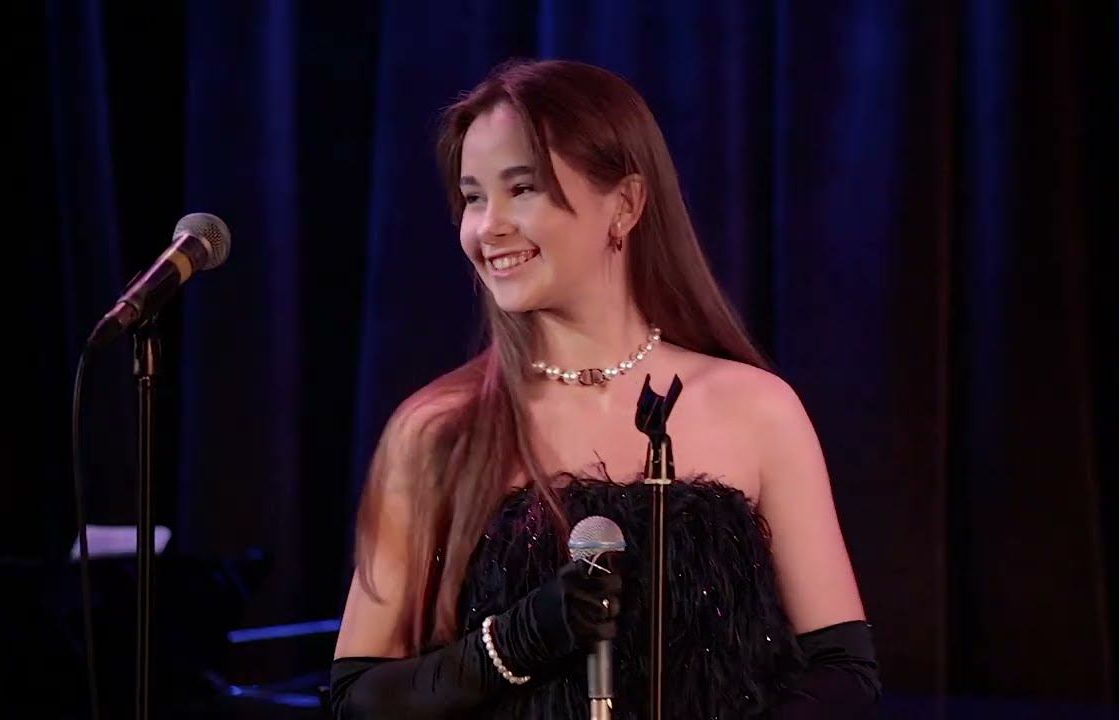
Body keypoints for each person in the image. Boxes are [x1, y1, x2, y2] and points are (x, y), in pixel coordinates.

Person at [327, 58, 880, 718]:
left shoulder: (758, 409)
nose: (487, 226)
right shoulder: (438, 429)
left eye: (522, 188)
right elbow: (355, 700)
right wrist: (516, 641)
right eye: (473, 197)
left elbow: (845, 672)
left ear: (625, 204)